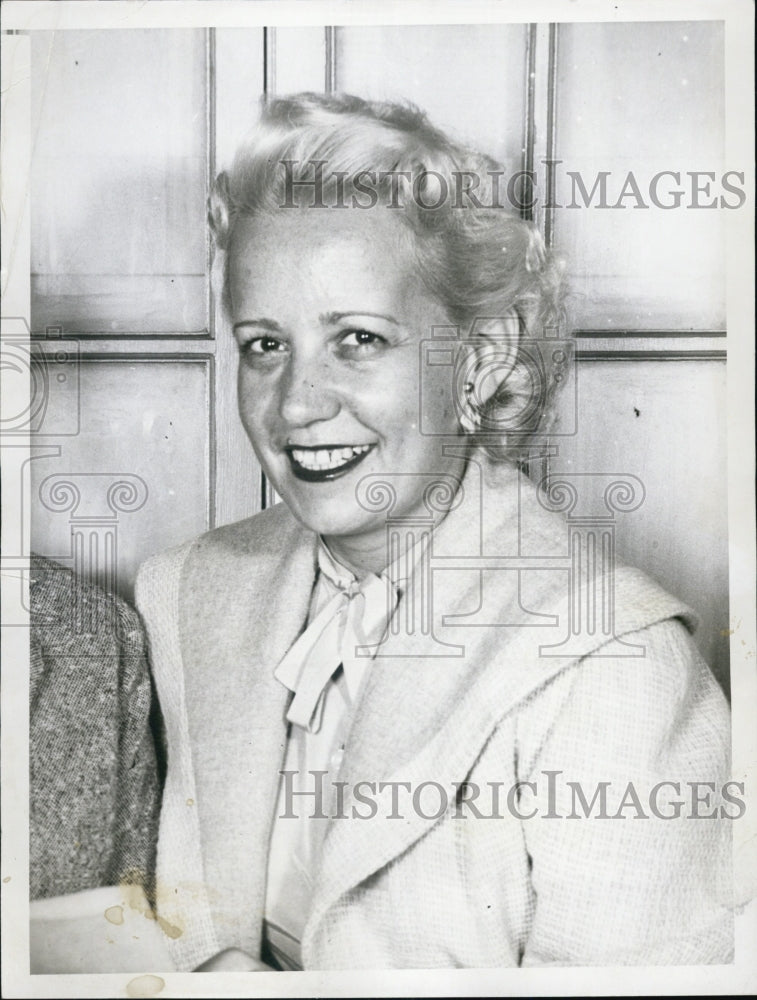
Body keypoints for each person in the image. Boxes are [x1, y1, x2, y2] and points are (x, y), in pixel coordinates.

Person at [135, 92, 734, 971]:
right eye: (264, 344)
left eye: (358, 340)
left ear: (482, 359)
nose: (295, 404)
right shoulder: (186, 589)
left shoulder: (617, 665)